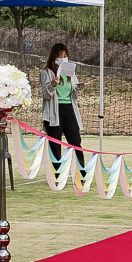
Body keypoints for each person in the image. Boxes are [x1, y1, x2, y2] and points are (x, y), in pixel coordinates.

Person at [40, 44, 85, 179]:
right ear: (54, 57)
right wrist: (53, 84)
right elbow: (45, 94)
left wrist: (79, 88)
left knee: (75, 141)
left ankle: (81, 173)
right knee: (55, 143)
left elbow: (74, 93)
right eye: (60, 56)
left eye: (65, 56)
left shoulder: (70, 73)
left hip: (69, 110)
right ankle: (58, 175)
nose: (63, 59)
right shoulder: (47, 73)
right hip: (54, 111)